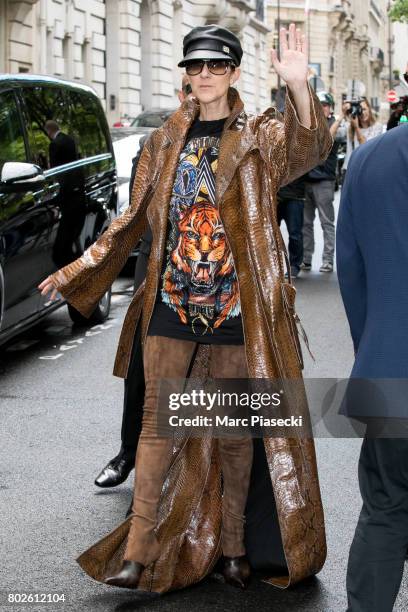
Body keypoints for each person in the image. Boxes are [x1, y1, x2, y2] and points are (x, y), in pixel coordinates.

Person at [39, 23, 331, 593]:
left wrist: (298, 87)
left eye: (215, 67)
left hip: (234, 306)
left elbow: (309, 149)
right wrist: (78, 268)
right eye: (195, 67)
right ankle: (138, 554)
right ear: (186, 74)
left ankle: (234, 549)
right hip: (171, 299)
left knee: (229, 429)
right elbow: (130, 219)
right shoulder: (164, 139)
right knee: (155, 425)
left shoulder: (261, 134)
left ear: (234, 73)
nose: (203, 76)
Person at [94, 78, 193, 490]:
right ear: (180, 93)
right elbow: (134, 214)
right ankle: (127, 453)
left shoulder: (231, 140)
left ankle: (190, 466)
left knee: (200, 368)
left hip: (206, 270)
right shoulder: (155, 143)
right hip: (154, 267)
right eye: (186, 86)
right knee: (141, 365)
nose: (194, 93)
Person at [336, 122, 408, 611]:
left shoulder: (367, 159)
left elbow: (352, 271)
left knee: (385, 507)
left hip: (386, 365)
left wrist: (373, 349)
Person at [301, 91, 343, 274]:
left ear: (330, 108)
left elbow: (325, 139)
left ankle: (327, 260)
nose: (322, 108)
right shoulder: (308, 124)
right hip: (306, 181)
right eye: (319, 104)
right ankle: (306, 258)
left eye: (325, 105)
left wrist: (341, 118)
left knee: (327, 222)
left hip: (324, 181)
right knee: (305, 223)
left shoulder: (335, 125)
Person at [342, 97, 383, 174]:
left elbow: (366, 147)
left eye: (364, 109)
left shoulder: (377, 127)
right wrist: (343, 114)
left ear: (369, 109)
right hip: (350, 169)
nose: (362, 113)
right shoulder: (350, 127)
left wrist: (357, 128)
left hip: (367, 169)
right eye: (359, 110)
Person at [277, 175, 307, 279]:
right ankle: (273, 266)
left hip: (294, 196)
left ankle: (294, 265)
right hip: (274, 195)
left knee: (295, 234)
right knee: (270, 235)